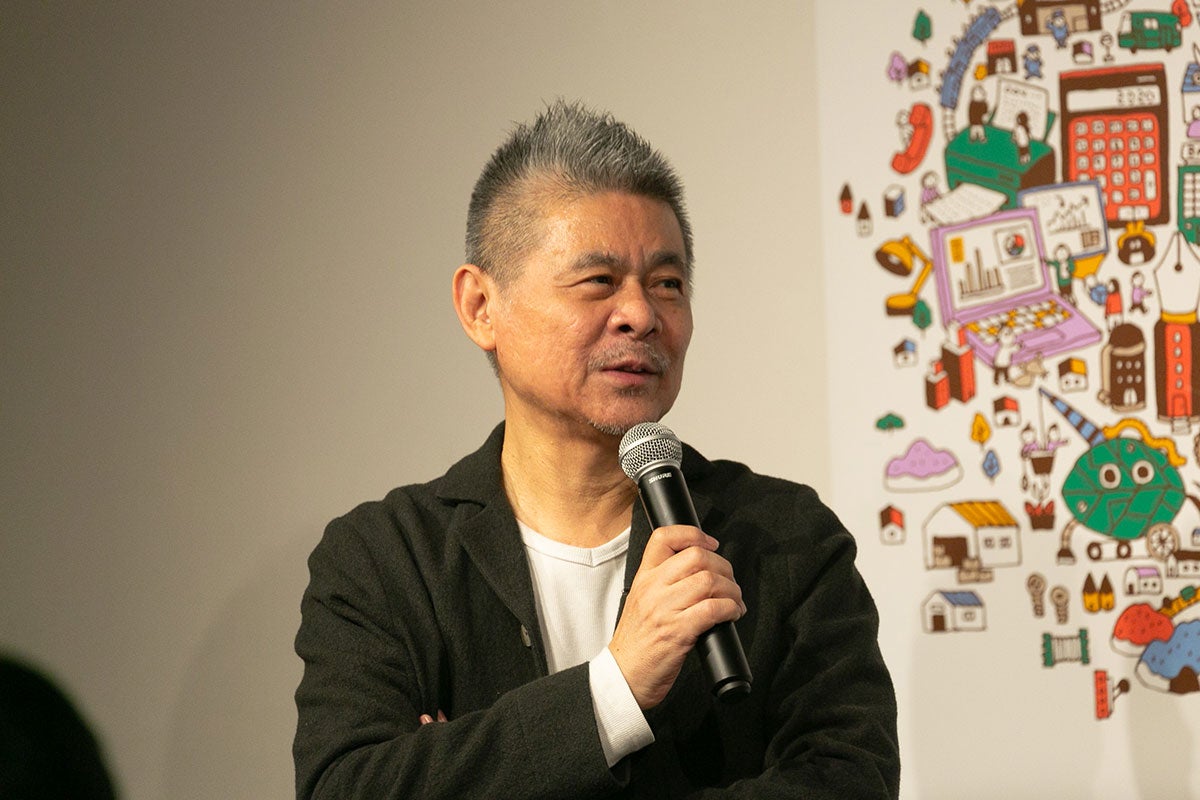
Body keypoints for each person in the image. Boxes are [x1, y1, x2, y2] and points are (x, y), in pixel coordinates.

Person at [293, 100, 900, 799]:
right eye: (598, 282)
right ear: (481, 307)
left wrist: (467, 769)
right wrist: (614, 689)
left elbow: (849, 782)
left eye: (667, 284)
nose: (641, 314)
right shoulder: (386, 560)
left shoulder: (787, 540)